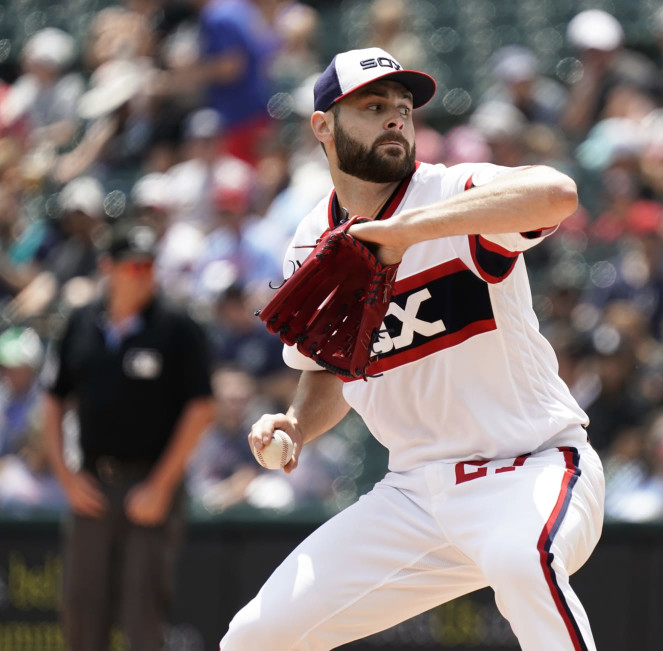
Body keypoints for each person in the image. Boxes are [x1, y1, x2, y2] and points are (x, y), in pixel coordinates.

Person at [220, 47, 606, 650]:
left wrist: (406, 233)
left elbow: (555, 193)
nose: (396, 118)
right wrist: (295, 426)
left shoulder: (453, 192)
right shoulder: (311, 240)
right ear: (323, 126)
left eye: (403, 107)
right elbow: (329, 373)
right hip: (415, 494)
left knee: (519, 561)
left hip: (529, 465)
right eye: (374, 107)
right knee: (255, 637)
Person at [42, 221, 215, 651]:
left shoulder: (177, 327)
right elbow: (54, 398)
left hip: (150, 485)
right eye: (133, 266)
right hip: (92, 484)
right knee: (82, 611)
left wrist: (160, 485)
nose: (143, 274)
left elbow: (201, 407)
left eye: (149, 266)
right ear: (108, 268)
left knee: (142, 613)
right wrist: (65, 474)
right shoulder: (80, 322)